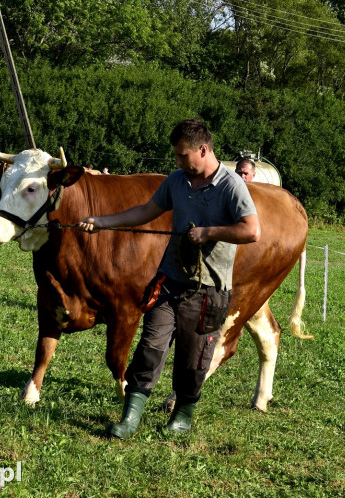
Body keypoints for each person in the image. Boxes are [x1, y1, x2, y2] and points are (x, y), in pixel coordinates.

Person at [79, 119, 260, 438]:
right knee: (150, 345)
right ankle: (130, 418)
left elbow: (251, 230)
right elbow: (146, 211)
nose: (177, 162)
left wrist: (209, 232)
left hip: (208, 290)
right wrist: (103, 222)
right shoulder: (177, 181)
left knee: (193, 359)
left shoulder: (232, 186)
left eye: (182, 155)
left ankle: (182, 418)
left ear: (203, 150)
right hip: (169, 281)